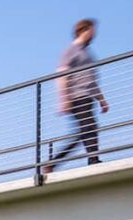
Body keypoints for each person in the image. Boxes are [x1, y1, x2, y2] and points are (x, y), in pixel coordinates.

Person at [44, 18, 110, 175]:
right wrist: (64, 99)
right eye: (92, 31)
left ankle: (93, 160)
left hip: (88, 97)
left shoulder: (88, 54)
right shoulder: (71, 50)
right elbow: (61, 75)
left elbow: (91, 81)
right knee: (87, 129)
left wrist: (101, 100)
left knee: (90, 129)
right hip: (76, 97)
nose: (94, 35)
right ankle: (53, 163)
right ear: (83, 31)